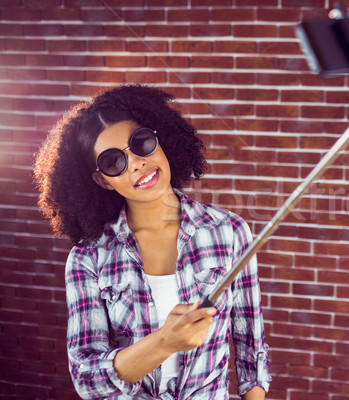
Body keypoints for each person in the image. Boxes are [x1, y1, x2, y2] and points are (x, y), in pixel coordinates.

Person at [33, 84, 271, 399]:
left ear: (161, 141)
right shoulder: (88, 259)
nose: (135, 163)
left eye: (141, 143)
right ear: (102, 180)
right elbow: (87, 378)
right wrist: (165, 342)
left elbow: (250, 349)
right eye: (113, 162)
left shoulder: (228, 232)